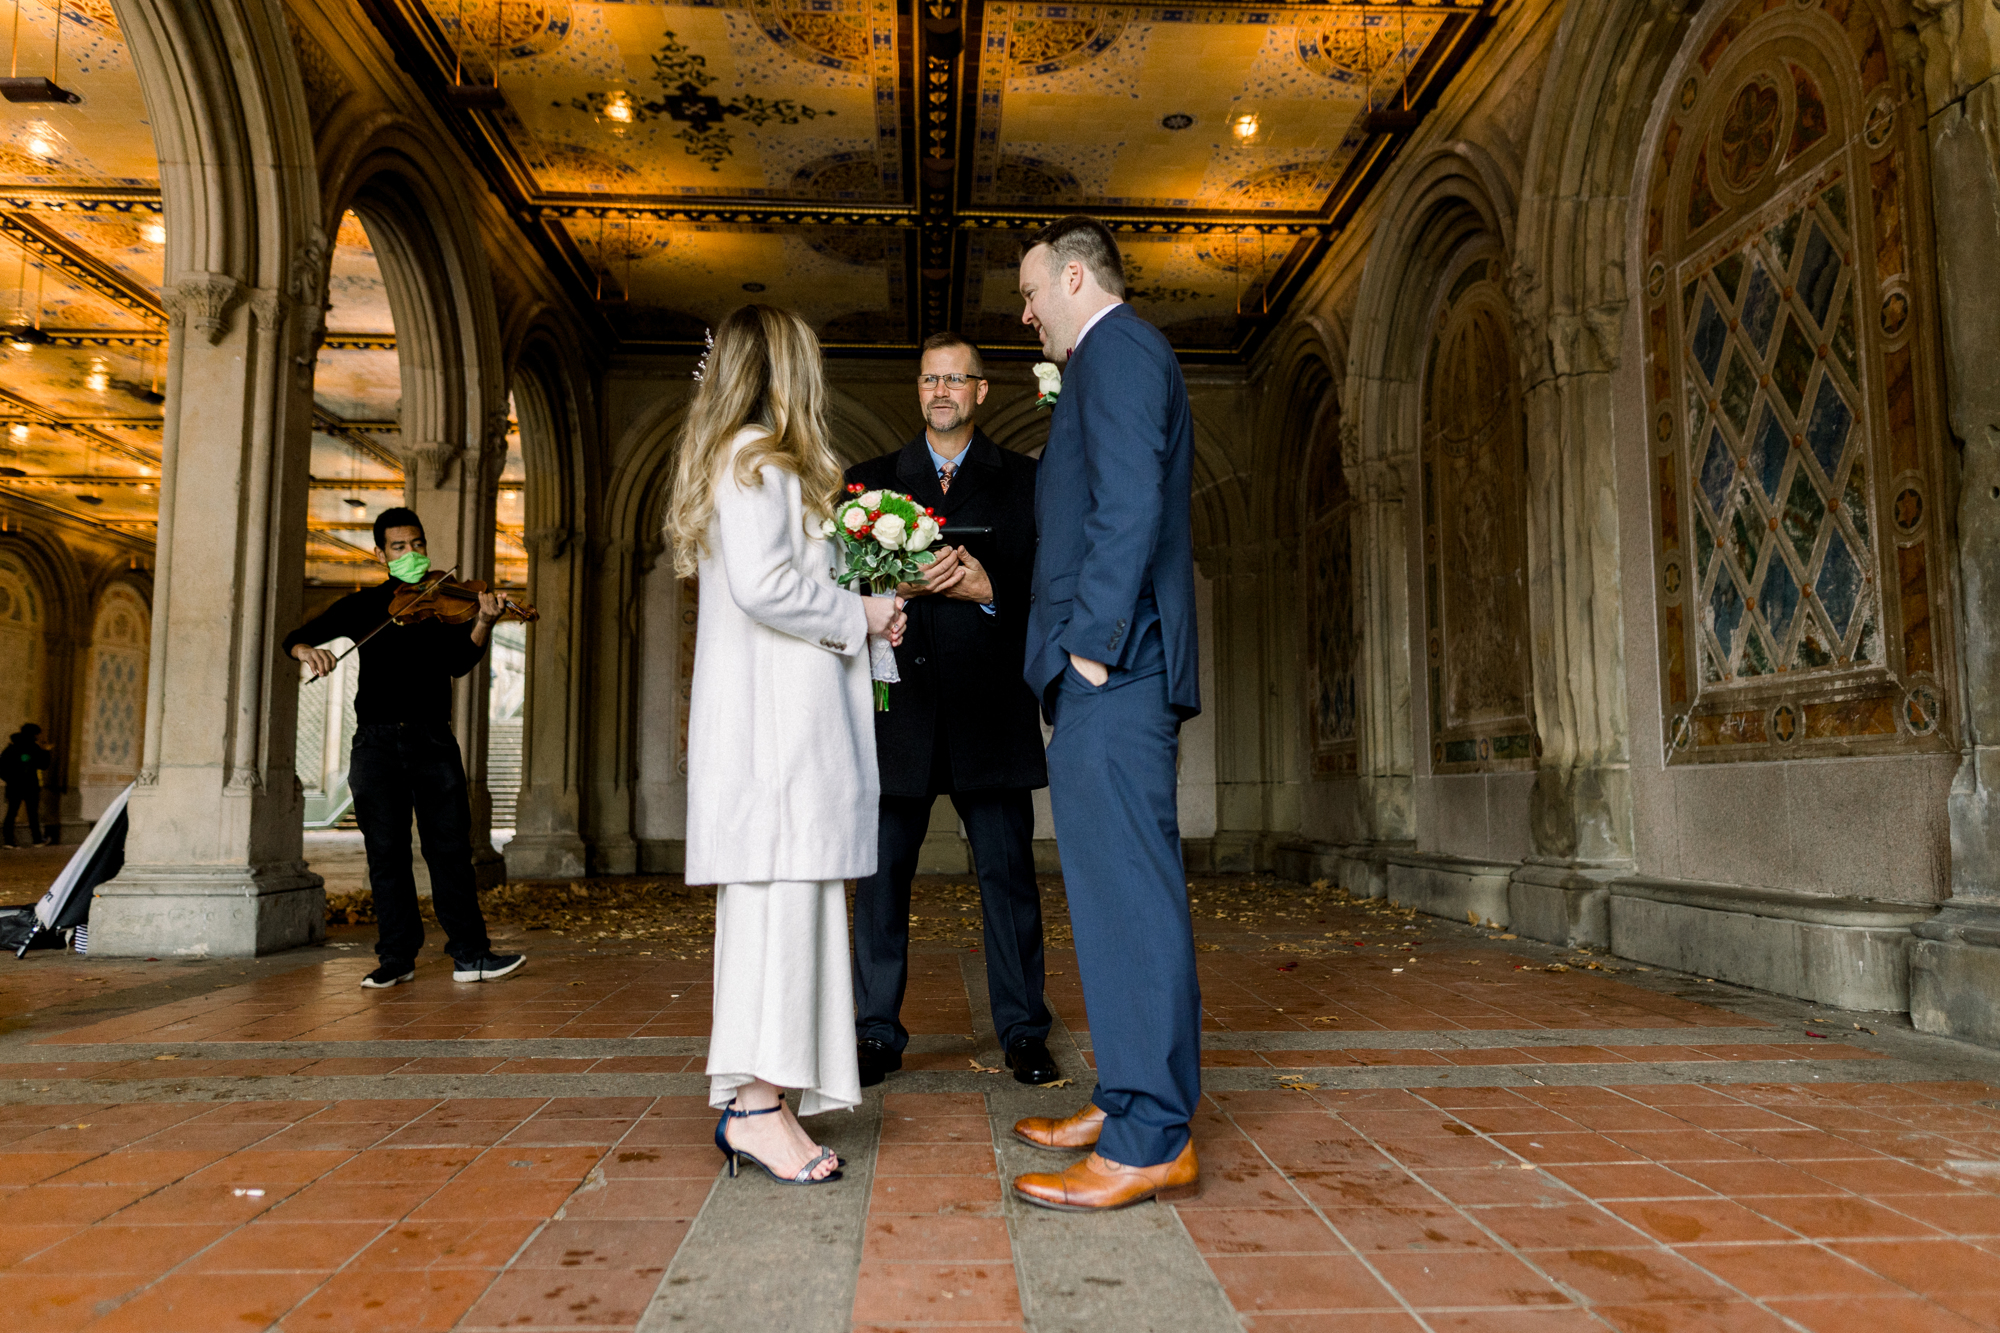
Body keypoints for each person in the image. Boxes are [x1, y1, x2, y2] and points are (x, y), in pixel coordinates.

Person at [666, 303, 907, 1186]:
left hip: (784, 731)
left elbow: (781, 584)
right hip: (779, 745)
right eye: (807, 358)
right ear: (780, 368)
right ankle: (760, 1107)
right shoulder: (756, 458)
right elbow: (770, 586)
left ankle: (763, 1100)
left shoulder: (749, 459)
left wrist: (871, 615)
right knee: (781, 916)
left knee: (785, 915)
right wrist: (862, 612)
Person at [1008, 216, 1203, 1211]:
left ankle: (1146, 1137)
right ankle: (1133, 1098)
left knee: (1127, 894)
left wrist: (1087, 650)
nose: (1026, 311)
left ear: (1074, 277)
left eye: (1031, 292)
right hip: (1107, 671)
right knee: (1114, 893)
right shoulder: (1108, 358)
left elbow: (1125, 504)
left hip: (1114, 671)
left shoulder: (1117, 349)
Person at [845, 331, 1058, 1089]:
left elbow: (1047, 593)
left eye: (956, 379)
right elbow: (839, 598)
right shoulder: (866, 484)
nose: (941, 391)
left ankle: (1024, 1030)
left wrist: (988, 590)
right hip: (897, 715)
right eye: (930, 378)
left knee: (1008, 880)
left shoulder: (1029, 483)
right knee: (880, 883)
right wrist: (888, 595)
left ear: (980, 391)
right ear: (920, 388)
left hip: (990, 713)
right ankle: (875, 1031)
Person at [284, 507, 525, 989]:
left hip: (432, 738)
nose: (412, 553)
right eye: (399, 547)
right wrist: (308, 652)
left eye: (417, 544)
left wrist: (484, 622)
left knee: (449, 849)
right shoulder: (362, 606)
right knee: (385, 852)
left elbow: (460, 662)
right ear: (380, 554)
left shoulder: (446, 601)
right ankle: (396, 957)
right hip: (374, 742)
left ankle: (471, 955)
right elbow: (297, 637)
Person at [1, 723, 52, 848]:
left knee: (11, 813)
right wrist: (46, 751)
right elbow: (43, 765)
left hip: (14, 786)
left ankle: (9, 841)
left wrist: (9, 780)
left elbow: (1, 767)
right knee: (33, 814)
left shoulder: (11, 748)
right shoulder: (35, 748)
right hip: (31, 786)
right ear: (34, 734)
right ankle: (37, 840)